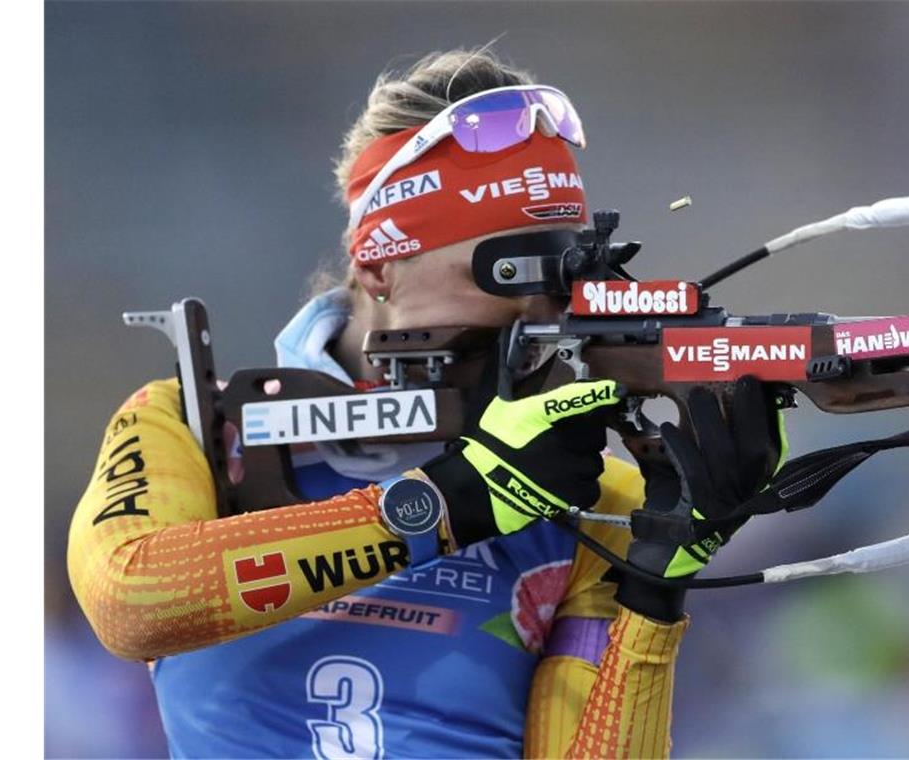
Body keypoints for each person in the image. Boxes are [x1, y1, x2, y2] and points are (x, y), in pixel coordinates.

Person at [67, 48, 785, 759]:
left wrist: (655, 595)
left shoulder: (597, 492)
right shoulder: (194, 426)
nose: (537, 308)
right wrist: (453, 502)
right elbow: (130, 602)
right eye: (507, 271)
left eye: (561, 273)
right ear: (379, 266)